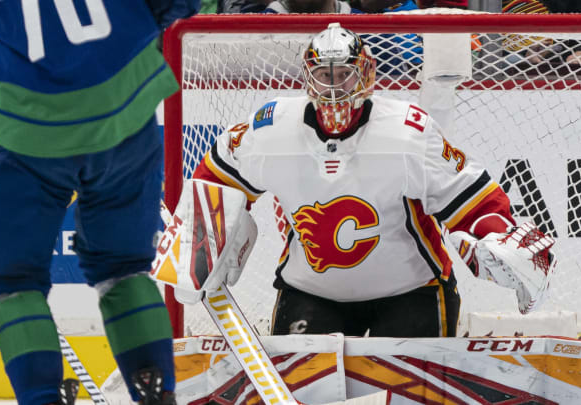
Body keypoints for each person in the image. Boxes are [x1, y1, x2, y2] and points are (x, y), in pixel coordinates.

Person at [191, 23, 556, 338]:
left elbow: (468, 198)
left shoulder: (406, 133)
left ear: (365, 74)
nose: (334, 87)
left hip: (412, 292)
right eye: (325, 75)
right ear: (308, 77)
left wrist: (494, 234)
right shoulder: (270, 129)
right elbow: (218, 176)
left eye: (344, 74)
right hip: (310, 293)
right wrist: (199, 237)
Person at [0, 1, 198, 404]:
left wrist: (13, 90)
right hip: (130, 107)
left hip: (33, 129)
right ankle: (156, 393)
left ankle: (42, 398)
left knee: (11, 281)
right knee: (124, 269)